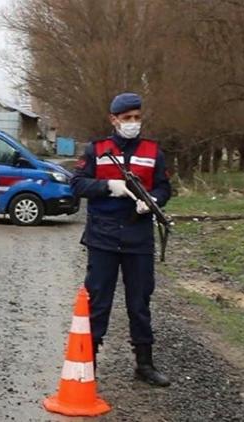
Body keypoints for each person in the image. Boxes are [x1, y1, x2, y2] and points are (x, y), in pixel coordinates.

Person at [70, 92, 172, 387]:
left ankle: (144, 363)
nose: (133, 123)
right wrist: (107, 186)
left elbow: (166, 188)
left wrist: (153, 200)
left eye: (137, 118)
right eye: (127, 118)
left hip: (138, 235)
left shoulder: (154, 151)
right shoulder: (97, 149)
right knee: (99, 300)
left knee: (139, 301)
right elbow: (76, 184)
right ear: (114, 119)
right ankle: (88, 363)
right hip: (103, 234)